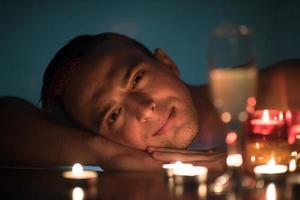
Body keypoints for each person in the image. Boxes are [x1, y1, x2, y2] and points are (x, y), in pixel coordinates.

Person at [0, 32, 299, 171]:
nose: (143, 108)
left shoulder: (284, 90)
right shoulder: (128, 166)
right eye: (113, 115)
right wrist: (106, 154)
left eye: (137, 79)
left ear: (167, 63)